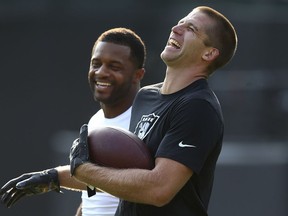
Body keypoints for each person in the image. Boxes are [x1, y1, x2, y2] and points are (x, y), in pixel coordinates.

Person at [69, 6, 238, 216]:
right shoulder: (145, 96)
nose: (176, 28)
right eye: (180, 22)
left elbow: (159, 190)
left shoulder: (198, 107)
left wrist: (84, 170)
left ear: (209, 53)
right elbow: (126, 178)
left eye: (191, 29)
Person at [0, 27, 146, 216]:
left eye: (114, 66)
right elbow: (92, 194)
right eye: (96, 64)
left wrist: (56, 177)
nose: (101, 72)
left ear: (138, 75)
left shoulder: (147, 120)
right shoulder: (96, 121)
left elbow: (150, 186)